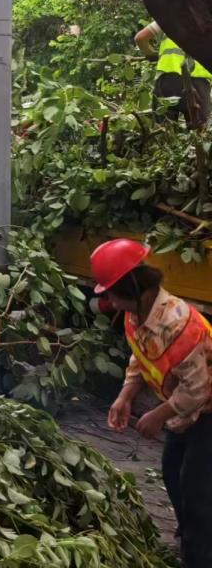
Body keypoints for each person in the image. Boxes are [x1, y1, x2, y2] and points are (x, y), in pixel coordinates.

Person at [91, 239, 212, 565]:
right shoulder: (137, 314)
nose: (110, 302)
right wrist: (125, 395)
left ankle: (200, 554)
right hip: (184, 411)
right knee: (173, 473)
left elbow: (198, 389)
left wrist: (159, 414)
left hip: (207, 410)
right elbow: (141, 356)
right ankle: (191, 536)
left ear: (133, 288)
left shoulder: (178, 324)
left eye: (112, 294)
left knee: (198, 491)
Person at [135, 21, 211, 128]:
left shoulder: (168, 16)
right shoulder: (207, 18)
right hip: (199, 85)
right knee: (200, 133)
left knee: (163, 131)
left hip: (168, 81)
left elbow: (140, 38)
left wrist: (152, 55)